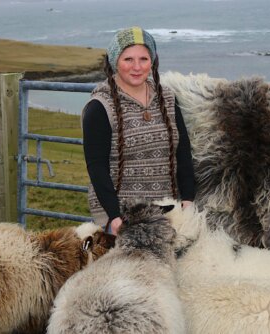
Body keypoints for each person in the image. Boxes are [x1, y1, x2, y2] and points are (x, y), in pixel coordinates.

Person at [82, 26, 195, 235]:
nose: (137, 67)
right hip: (124, 216)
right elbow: (97, 167)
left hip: (168, 212)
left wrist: (187, 200)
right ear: (115, 61)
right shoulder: (99, 107)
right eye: (128, 59)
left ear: (152, 60)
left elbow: (183, 152)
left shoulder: (167, 98)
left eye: (143, 59)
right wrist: (115, 217)